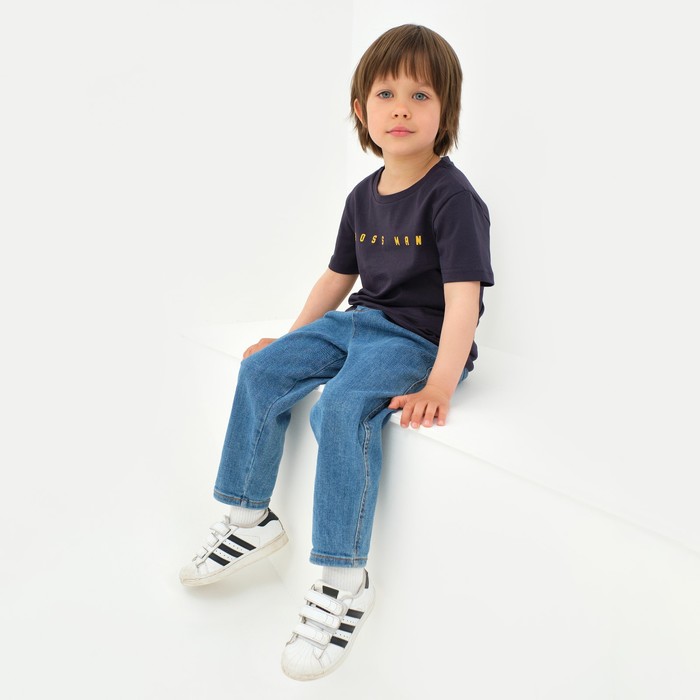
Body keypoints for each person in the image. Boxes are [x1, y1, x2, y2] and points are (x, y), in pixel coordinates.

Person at [179, 23, 494, 681]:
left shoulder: (453, 198)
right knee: (262, 369)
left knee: (341, 408)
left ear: (447, 113)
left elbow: (462, 301)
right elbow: (336, 279)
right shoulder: (362, 196)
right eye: (386, 95)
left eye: (421, 95)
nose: (401, 108)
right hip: (361, 322)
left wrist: (440, 383)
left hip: (418, 339)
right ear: (361, 110)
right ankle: (250, 518)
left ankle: (342, 582)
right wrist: (294, 337)